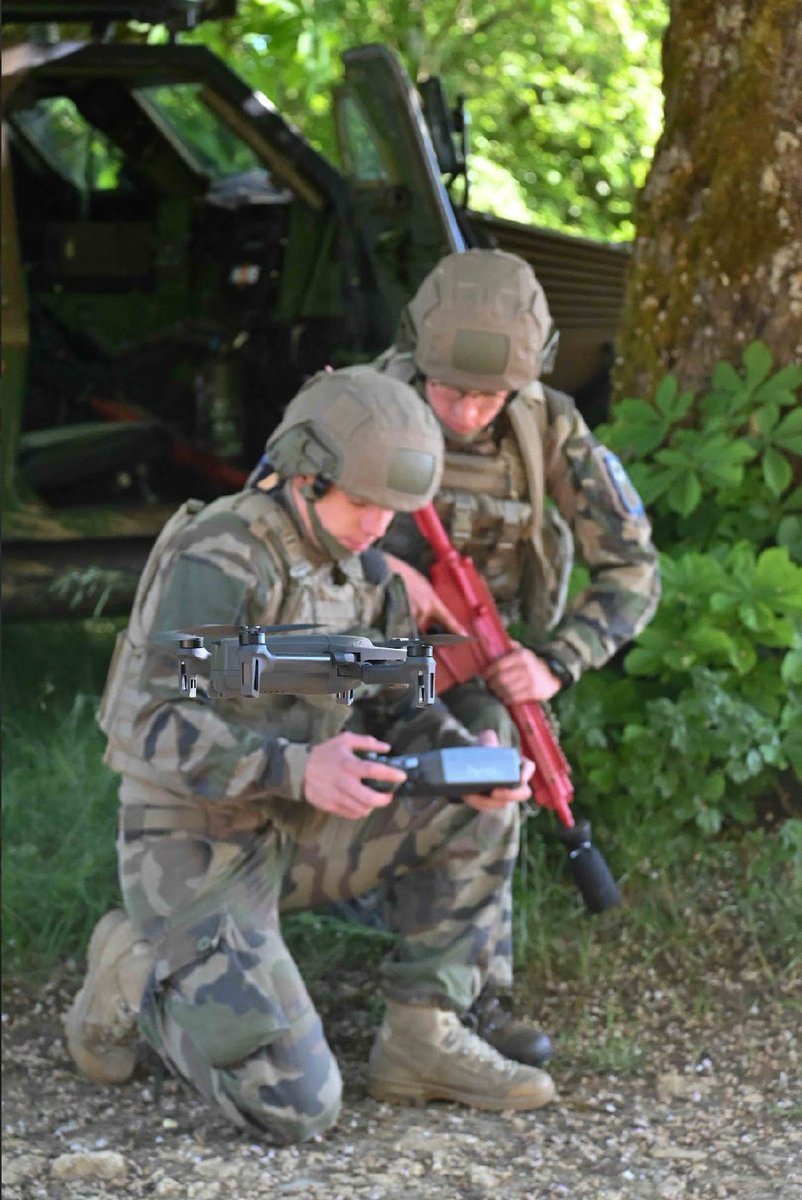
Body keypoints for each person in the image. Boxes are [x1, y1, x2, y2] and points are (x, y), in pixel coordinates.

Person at [64, 367, 556, 1144]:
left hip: (304, 830)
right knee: (296, 1106)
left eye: (391, 510)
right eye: (360, 503)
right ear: (305, 476)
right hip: (195, 845)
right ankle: (140, 973)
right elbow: (153, 721)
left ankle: (423, 1035)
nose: (376, 526)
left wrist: (463, 758)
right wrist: (297, 768)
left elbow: (402, 706)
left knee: (479, 808)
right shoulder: (224, 553)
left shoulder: (370, 575)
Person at [371, 249, 661, 1062]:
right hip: (341, 660)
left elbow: (634, 569)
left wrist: (557, 661)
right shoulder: (359, 405)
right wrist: (379, 569)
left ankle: (465, 998)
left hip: (469, 666)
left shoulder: (547, 426)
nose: (466, 411)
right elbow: (267, 530)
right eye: (449, 391)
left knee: (491, 756)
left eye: (488, 395)